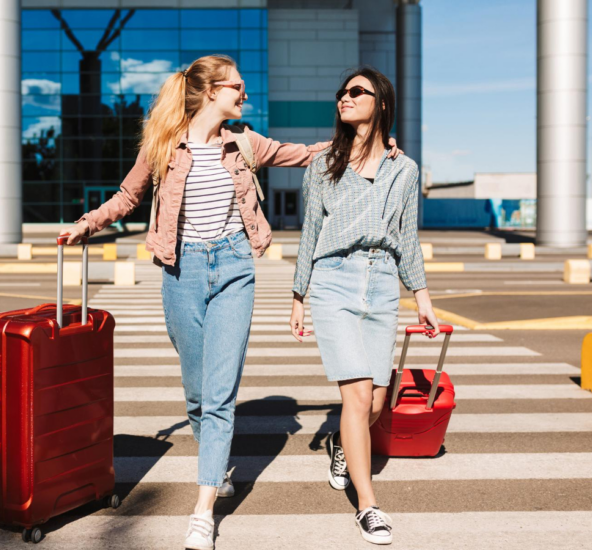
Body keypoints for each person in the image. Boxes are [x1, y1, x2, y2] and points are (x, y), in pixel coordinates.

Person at [63, 54, 400, 550]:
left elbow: (305, 153)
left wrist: (369, 145)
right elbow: (127, 196)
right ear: (210, 92)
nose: (245, 94)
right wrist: (87, 223)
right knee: (198, 389)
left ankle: (204, 511)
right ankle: (214, 461)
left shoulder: (244, 142)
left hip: (235, 268)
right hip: (181, 270)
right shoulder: (163, 145)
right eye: (237, 87)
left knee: (220, 394)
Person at [289, 66, 439, 546]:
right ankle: (368, 505)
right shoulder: (323, 164)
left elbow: (407, 238)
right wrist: (299, 295)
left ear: (381, 103)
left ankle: (339, 442)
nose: (344, 98)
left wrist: (422, 297)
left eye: (356, 91)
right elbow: (310, 230)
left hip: (381, 286)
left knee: (374, 402)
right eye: (341, 92)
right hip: (334, 279)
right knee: (355, 397)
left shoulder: (404, 168)